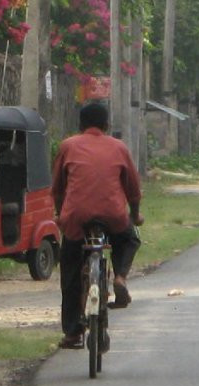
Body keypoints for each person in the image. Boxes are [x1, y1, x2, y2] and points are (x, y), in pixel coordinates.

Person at [51, 101, 143, 349]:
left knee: (70, 269)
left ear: (80, 125)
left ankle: (72, 333)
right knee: (129, 238)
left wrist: (61, 215)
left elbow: (58, 189)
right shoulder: (119, 148)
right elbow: (133, 190)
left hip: (76, 216)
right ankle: (121, 277)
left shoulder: (68, 146)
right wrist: (135, 215)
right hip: (113, 215)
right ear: (107, 125)